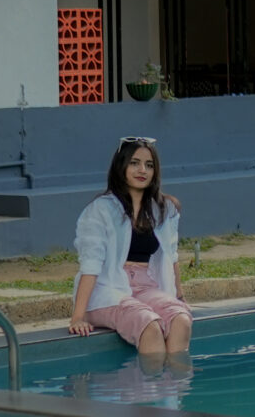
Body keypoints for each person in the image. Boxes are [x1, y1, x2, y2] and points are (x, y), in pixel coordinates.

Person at [70, 136, 192, 354]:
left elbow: (171, 256)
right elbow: (91, 265)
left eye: (149, 165)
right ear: (121, 166)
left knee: (181, 319)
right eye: (134, 163)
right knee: (149, 324)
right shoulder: (100, 210)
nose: (142, 170)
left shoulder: (163, 209)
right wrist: (78, 316)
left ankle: (174, 376)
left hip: (146, 285)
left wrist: (179, 297)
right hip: (107, 288)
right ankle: (149, 378)